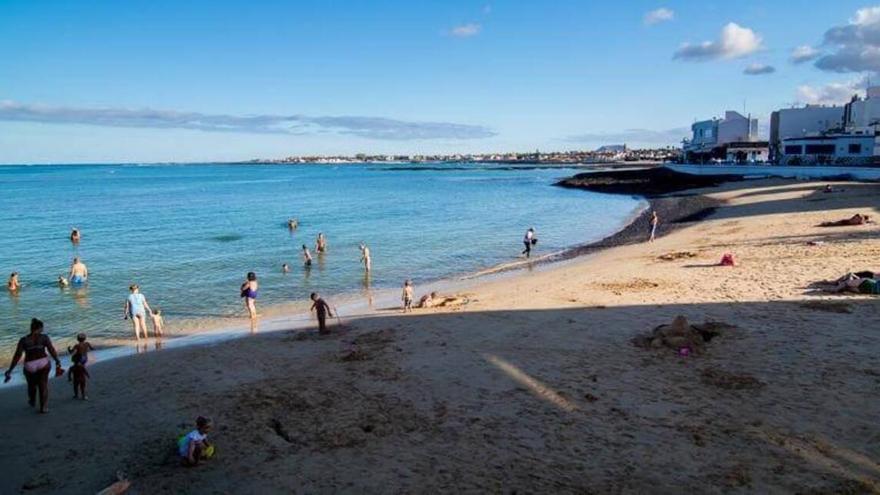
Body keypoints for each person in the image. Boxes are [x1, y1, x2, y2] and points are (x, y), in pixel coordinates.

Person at [4, 319, 62, 413]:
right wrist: (57, 361)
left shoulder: (24, 340)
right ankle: (43, 408)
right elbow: (51, 350)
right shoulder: (44, 337)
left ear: (31, 328)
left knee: (31, 385)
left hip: (29, 364)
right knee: (43, 385)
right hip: (43, 362)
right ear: (40, 328)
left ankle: (32, 400)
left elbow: (17, 355)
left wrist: (10, 370)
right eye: (42, 327)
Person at [67, 333, 93, 399]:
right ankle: (82, 375)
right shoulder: (87, 343)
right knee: (82, 368)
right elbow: (92, 348)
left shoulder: (77, 345)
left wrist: (69, 349)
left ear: (77, 339)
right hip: (85, 358)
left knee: (77, 368)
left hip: (79, 358)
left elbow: (71, 352)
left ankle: (76, 394)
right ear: (85, 339)